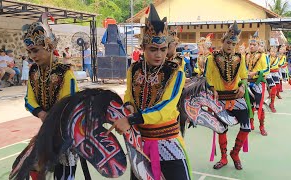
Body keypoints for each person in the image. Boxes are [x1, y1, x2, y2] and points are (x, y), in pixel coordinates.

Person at [107, 4, 190, 180]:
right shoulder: (134, 69)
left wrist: (130, 119)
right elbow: (129, 95)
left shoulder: (175, 71)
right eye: (153, 49)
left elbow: (166, 107)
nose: (158, 55)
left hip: (167, 140)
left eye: (162, 49)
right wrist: (128, 107)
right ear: (143, 48)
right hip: (139, 141)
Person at [22, 12, 79, 180]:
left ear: (48, 47)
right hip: (46, 129)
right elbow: (29, 99)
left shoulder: (65, 72)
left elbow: (68, 103)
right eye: (30, 51)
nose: (32, 56)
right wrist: (41, 113)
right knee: (35, 170)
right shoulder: (34, 71)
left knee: (65, 174)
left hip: (65, 131)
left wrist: (51, 118)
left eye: (36, 50)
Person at [205, 21, 250, 170]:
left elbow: (244, 76)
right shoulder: (212, 58)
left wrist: (243, 85)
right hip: (220, 99)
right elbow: (207, 76)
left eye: (233, 44)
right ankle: (223, 158)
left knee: (246, 126)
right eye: (228, 42)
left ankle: (235, 154)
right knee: (221, 129)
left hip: (237, 97)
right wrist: (212, 89)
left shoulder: (240, 57)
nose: (230, 46)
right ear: (223, 42)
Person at [246, 30, 268, 136]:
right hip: (248, 83)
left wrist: (256, 72)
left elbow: (267, 69)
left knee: (259, 106)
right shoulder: (246, 55)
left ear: (258, 45)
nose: (251, 46)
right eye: (250, 44)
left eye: (254, 44)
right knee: (249, 106)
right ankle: (251, 123)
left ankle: (262, 127)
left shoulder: (262, 56)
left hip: (258, 83)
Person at [268, 46, 280, 111]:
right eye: (272, 51)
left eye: (274, 51)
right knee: (273, 87)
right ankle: (272, 104)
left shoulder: (277, 58)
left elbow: (278, 65)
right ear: (269, 52)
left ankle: (272, 102)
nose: (273, 53)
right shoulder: (267, 57)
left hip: (275, 73)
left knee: (277, 86)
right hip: (268, 73)